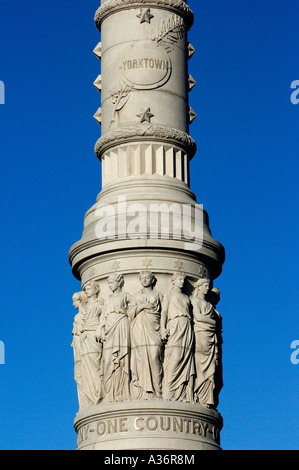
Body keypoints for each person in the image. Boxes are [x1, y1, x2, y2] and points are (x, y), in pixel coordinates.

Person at [161, 272, 195, 402]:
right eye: (179, 279)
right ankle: (169, 391)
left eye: (183, 279)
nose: (182, 281)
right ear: (173, 281)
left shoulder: (186, 298)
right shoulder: (169, 295)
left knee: (186, 358)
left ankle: (183, 393)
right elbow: (164, 311)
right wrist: (163, 328)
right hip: (174, 325)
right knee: (174, 357)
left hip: (187, 326)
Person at [130, 271, 164, 400]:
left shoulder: (159, 295)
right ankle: (142, 391)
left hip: (154, 327)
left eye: (147, 278)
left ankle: (158, 390)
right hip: (139, 328)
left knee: (155, 356)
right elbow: (130, 311)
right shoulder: (137, 295)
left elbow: (165, 312)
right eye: (142, 278)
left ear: (152, 280)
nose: (144, 280)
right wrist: (143, 306)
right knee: (141, 357)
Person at [98, 273, 131, 402]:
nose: (109, 285)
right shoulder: (108, 299)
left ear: (119, 282)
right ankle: (109, 393)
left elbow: (134, 309)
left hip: (121, 324)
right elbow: (102, 317)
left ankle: (121, 392)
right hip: (109, 328)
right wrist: (99, 328)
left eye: (111, 282)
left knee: (122, 359)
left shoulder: (127, 296)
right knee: (108, 360)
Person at [191, 278, 223, 409]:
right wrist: (213, 323)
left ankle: (208, 398)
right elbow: (198, 317)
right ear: (198, 287)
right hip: (201, 335)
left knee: (214, 372)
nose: (207, 288)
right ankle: (198, 394)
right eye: (205, 285)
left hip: (212, 339)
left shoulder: (209, 306)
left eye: (208, 286)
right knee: (201, 365)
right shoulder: (194, 301)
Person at [80, 280, 104, 409]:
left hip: (94, 336)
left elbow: (104, 318)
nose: (87, 291)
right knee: (87, 369)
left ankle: (99, 395)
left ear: (96, 290)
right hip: (85, 338)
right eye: (86, 289)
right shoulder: (86, 305)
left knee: (96, 367)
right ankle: (92, 397)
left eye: (89, 289)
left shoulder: (99, 303)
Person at [71, 291, 87, 411]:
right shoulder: (79, 316)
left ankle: (86, 403)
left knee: (82, 375)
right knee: (79, 376)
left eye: (75, 301)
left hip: (86, 349)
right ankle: (85, 404)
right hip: (80, 351)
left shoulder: (83, 316)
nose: (73, 304)